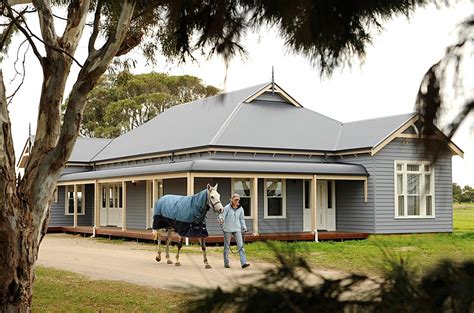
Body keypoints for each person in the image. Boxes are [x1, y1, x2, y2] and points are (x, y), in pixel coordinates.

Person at [218, 193, 250, 269]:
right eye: (235, 199)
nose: (237, 201)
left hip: (237, 229)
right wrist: (221, 219)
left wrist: (244, 227)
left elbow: (242, 219)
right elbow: (221, 216)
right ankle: (226, 263)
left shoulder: (241, 209)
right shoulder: (227, 208)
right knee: (227, 247)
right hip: (227, 229)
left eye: (238, 200)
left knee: (241, 246)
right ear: (231, 200)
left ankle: (244, 263)